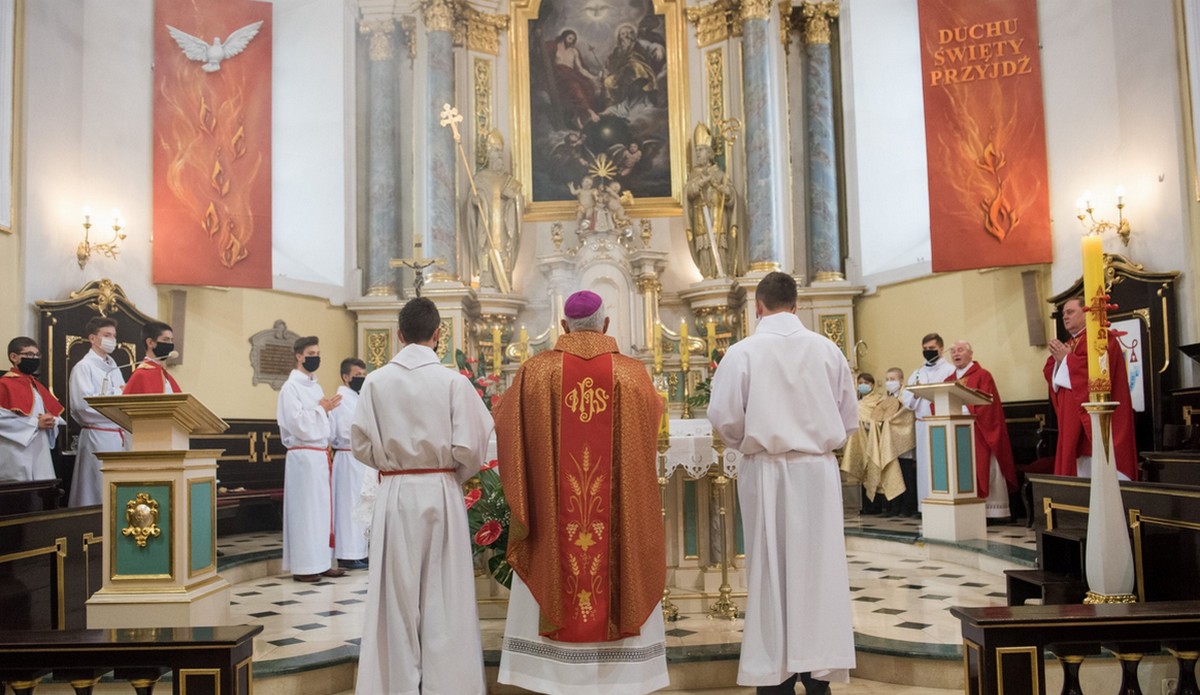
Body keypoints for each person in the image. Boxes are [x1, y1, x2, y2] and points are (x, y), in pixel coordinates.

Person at [495, 290, 668, 695]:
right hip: (615, 527)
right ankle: (623, 678)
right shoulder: (632, 375)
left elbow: (505, 423)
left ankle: (551, 677)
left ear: (563, 326)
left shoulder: (535, 373)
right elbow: (650, 430)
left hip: (555, 528)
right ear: (605, 325)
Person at [707, 272, 857, 695]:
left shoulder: (742, 352)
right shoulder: (828, 350)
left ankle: (773, 677)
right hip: (817, 471)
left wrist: (751, 442)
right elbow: (848, 419)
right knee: (818, 570)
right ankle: (816, 674)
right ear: (796, 303)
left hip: (766, 470)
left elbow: (724, 419)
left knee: (769, 569)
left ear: (758, 306)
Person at [351, 298, 494, 695]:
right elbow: (474, 446)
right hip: (441, 490)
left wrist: (393, 463)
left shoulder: (377, 381)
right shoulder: (453, 382)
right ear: (438, 335)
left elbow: (360, 443)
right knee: (445, 597)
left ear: (399, 335)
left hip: (396, 491)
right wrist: (451, 475)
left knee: (395, 598)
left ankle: (394, 686)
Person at [1043, 297, 1138, 480]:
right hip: (1074, 426)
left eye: (1070, 312)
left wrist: (1067, 361)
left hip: (1099, 422)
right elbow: (1051, 370)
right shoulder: (1070, 343)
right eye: (1063, 313)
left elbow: (1096, 374)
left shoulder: (1102, 338)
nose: (1065, 317)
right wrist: (1063, 361)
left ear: (1086, 313)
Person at [277, 335, 345, 583]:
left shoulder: (314, 387)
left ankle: (322, 561)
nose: (316, 358)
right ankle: (305, 566)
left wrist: (325, 412)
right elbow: (296, 423)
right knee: (305, 511)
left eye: (318, 354)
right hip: (303, 455)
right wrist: (322, 410)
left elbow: (320, 420)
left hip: (319, 455)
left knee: (321, 511)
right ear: (299, 356)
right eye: (311, 354)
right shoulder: (290, 388)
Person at [945, 341, 1018, 520]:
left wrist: (964, 410)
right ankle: (966, 509)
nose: (956, 354)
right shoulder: (948, 381)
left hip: (979, 432)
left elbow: (988, 404)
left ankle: (992, 512)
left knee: (987, 468)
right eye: (953, 351)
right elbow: (936, 403)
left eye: (960, 350)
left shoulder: (983, 375)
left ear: (970, 353)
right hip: (956, 434)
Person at [68, 317, 130, 507]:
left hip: (119, 435)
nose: (112, 339)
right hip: (98, 435)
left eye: (114, 335)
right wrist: (115, 404)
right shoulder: (83, 367)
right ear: (93, 338)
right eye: (107, 335)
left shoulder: (115, 368)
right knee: (95, 489)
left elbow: (123, 394)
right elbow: (82, 406)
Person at [899, 333, 956, 513]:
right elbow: (907, 400)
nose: (928, 352)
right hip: (922, 425)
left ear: (941, 348)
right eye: (925, 349)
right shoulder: (917, 372)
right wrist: (916, 394)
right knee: (925, 467)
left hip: (943, 425)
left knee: (942, 464)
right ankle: (924, 506)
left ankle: (944, 505)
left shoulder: (949, 370)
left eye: (931, 349)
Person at [841, 372, 911, 517]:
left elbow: (880, 417)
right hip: (862, 441)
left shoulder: (880, 401)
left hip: (879, 441)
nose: (862, 386)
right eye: (860, 383)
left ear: (872, 385)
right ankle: (868, 507)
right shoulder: (858, 402)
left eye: (866, 383)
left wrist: (872, 424)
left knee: (886, 471)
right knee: (864, 472)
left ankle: (891, 506)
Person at [466, 128, 524, 291]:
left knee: (504, 252)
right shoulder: (480, 178)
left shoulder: (509, 179)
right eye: (495, 151)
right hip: (487, 227)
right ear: (488, 154)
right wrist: (475, 201)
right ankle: (487, 280)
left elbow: (519, 200)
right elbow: (472, 200)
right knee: (485, 251)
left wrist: (515, 197)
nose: (499, 155)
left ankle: (503, 281)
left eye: (500, 151)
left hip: (504, 227)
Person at [0, 337, 64, 482]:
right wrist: (35, 423)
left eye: (36, 355)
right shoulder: (4, 384)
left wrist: (51, 421)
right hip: (16, 453)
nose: (34, 358)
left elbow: (48, 412)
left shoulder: (35, 385)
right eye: (29, 354)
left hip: (39, 450)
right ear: (14, 357)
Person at [331, 357, 369, 570]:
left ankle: (361, 551)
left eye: (363, 376)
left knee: (362, 505)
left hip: (361, 459)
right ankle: (347, 554)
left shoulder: (357, 397)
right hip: (347, 457)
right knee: (348, 506)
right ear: (345, 377)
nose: (361, 379)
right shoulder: (340, 399)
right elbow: (344, 429)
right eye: (357, 376)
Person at [548, 29, 601, 128]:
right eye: (569, 38)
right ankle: (590, 111)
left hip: (571, 74)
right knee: (575, 86)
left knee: (587, 86)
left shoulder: (574, 51)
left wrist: (593, 77)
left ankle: (579, 118)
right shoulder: (555, 46)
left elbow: (580, 69)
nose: (571, 41)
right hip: (560, 74)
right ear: (564, 37)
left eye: (573, 39)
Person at [884, 367, 919, 517]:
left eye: (892, 379)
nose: (889, 382)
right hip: (890, 441)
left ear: (901, 380)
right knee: (893, 474)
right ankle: (894, 506)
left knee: (907, 475)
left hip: (904, 441)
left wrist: (890, 419)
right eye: (887, 379)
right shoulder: (888, 397)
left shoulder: (906, 396)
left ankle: (907, 507)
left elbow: (906, 415)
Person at [122, 321, 181, 394]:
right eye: (165, 340)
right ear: (150, 342)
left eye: (172, 340)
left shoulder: (165, 374)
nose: (170, 344)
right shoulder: (141, 375)